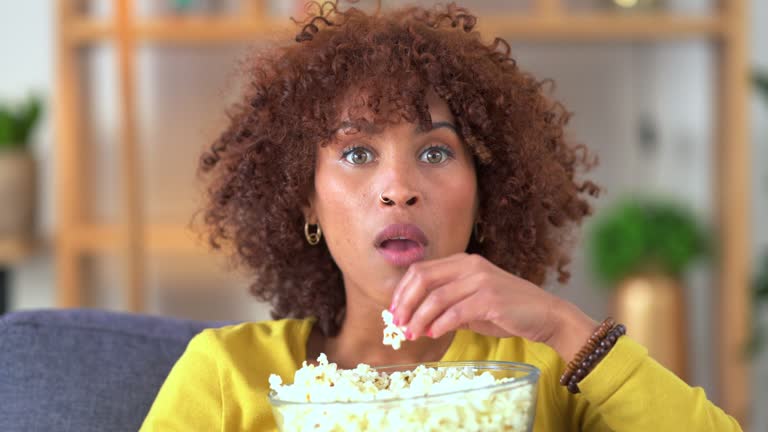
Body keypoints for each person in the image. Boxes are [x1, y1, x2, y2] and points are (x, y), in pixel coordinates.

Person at [140, 2, 742, 430]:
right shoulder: (228, 376)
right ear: (305, 199)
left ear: (487, 193)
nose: (398, 189)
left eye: (435, 152)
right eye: (357, 153)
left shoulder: (550, 368)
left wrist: (564, 326)